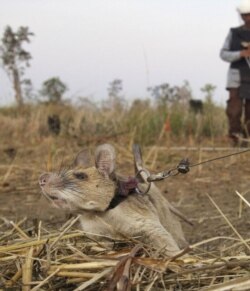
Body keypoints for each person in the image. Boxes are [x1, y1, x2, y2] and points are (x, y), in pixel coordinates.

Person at [220, 0, 250, 146]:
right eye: (245, 15)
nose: (248, 18)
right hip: (236, 77)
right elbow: (223, 54)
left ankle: (247, 139)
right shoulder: (234, 33)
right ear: (241, 16)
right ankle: (235, 138)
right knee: (234, 109)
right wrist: (241, 53)